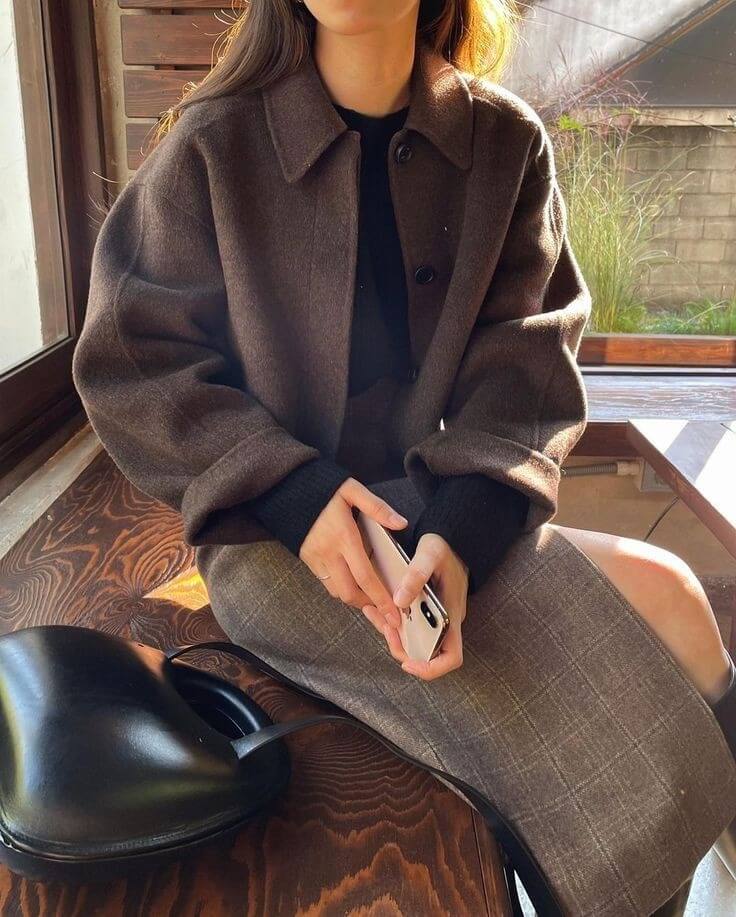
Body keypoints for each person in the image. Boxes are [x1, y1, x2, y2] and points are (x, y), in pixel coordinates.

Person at [72, 1, 736, 913]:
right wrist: (293, 490)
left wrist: (462, 530)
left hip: (443, 517)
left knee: (676, 602)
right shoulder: (212, 146)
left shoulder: (505, 144)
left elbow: (527, 363)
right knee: (664, 610)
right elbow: (134, 360)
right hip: (278, 544)